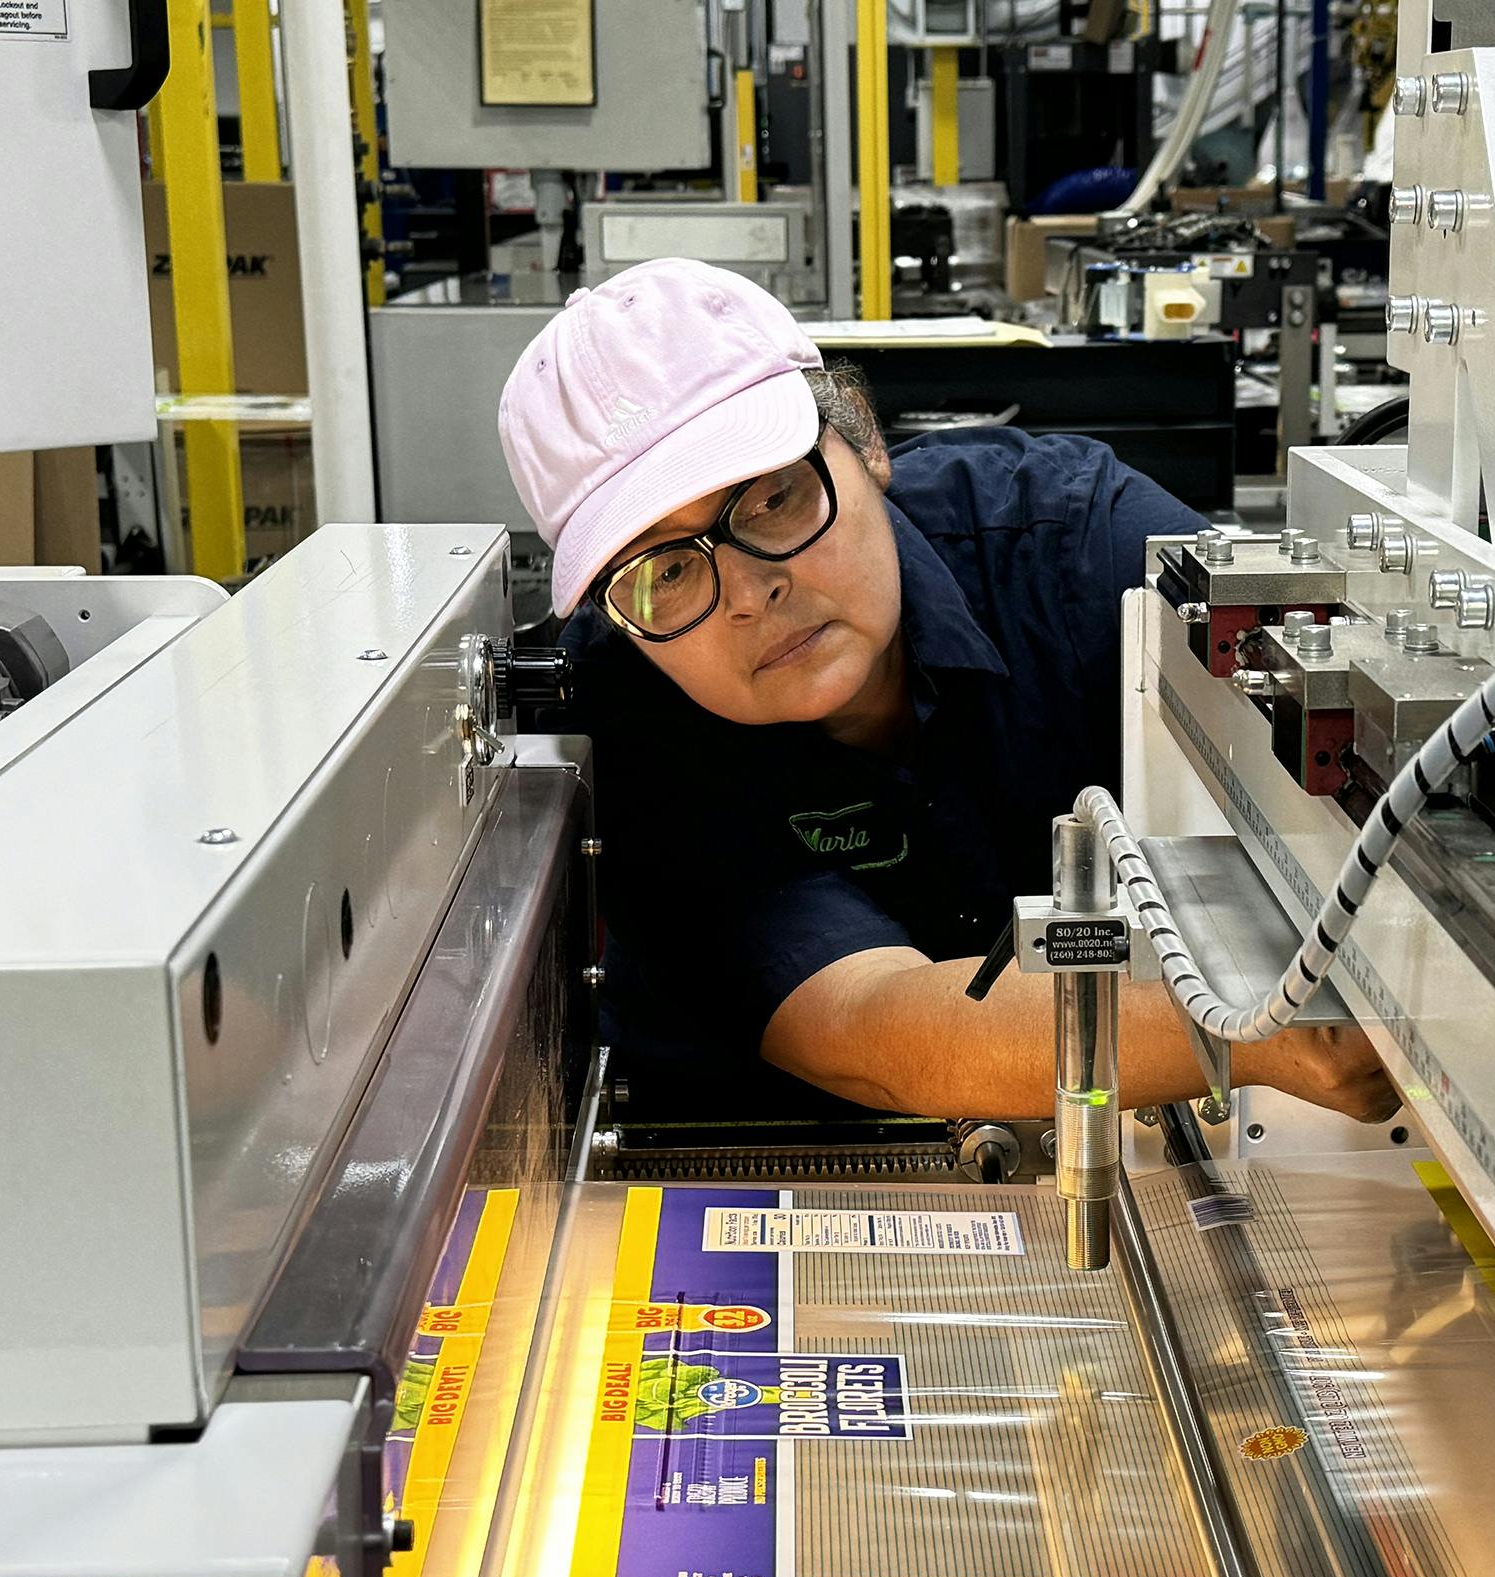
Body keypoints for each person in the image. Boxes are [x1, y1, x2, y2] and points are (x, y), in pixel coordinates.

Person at [498, 257, 1394, 1126]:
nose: (746, 593)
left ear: (861, 438)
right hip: (770, 1164)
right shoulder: (625, 714)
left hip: (1132, 1120)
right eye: (665, 571)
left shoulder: (1078, 545)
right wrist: (1263, 1032)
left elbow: (1351, 738)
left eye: (771, 500)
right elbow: (871, 1023)